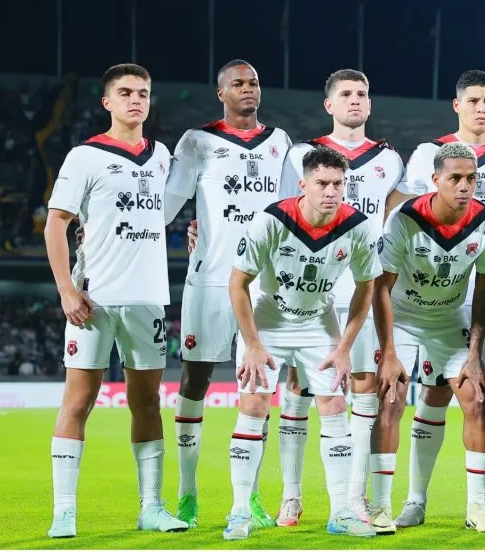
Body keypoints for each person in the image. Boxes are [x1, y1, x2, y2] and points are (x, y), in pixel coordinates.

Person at [44, 63, 188, 538]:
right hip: (95, 300)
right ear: (107, 102)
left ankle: (152, 507)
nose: (136, 100)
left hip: (148, 299)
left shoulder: (162, 155)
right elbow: (56, 225)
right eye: (125, 92)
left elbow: (163, 213)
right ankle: (64, 511)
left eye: (143, 93)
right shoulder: (85, 156)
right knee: (79, 400)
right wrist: (67, 289)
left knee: (147, 402)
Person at [388, 70, 485, 528]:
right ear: (457, 105)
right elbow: (400, 205)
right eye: (473, 100)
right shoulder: (430, 154)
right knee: (433, 394)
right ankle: (415, 499)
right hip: (439, 294)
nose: (481, 108)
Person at [225, 146, 380, 540]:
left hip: (318, 322)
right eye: (322, 184)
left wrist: (344, 346)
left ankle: (341, 512)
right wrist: (253, 344)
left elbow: (367, 288)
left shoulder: (358, 226)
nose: (331, 192)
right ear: (303, 185)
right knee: (254, 405)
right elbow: (238, 283)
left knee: (334, 407)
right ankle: (240, 510)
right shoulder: (272, 220)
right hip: (270, 321)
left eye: (338, 184)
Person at [164, 59, 292, 529]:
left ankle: (249, 497)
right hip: (209, 281)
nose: (248, 89)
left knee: (257, 390)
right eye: (238, 83)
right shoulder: (197, 142)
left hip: (263, 286)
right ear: (221, 92)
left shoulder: (280, 143)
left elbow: (291, 211)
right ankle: (187, 493)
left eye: (254, 82)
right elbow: (165, 207)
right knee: (194, 381)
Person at [275, 69, 404, 525]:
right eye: (346, 94)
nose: (355, 100)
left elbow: (395, 217)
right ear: (328, 104)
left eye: (362, 93)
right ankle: (292, 495)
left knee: (365, 389)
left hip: (363, 283)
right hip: (309, 282)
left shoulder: (390, 159)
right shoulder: (301, 156)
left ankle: (354, 498)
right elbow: (280, 212)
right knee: (297, 388)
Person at [370, 142, 485, 535]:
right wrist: (389, 352)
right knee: (391, 400)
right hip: (404, 316)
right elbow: (381, 288)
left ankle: (477, 507)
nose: (465, 186)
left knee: (476, 398)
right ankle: (382, 506)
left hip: (449, 316)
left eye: (471, 179)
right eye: (455, 178)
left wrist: (475, 353)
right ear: (435, 180)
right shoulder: (404, 218)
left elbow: (484, 291)